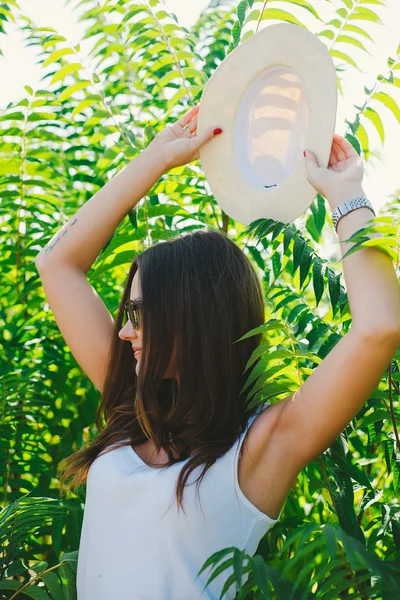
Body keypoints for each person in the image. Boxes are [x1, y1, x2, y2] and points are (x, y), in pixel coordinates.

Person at [35, 104, 400, 599]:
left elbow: (380, 326)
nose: (123, 332)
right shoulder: (133, 409)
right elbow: (57, 263)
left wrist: (347, 197)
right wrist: (155, 160)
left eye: (139, 314)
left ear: (194, 319)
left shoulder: (259, 450)